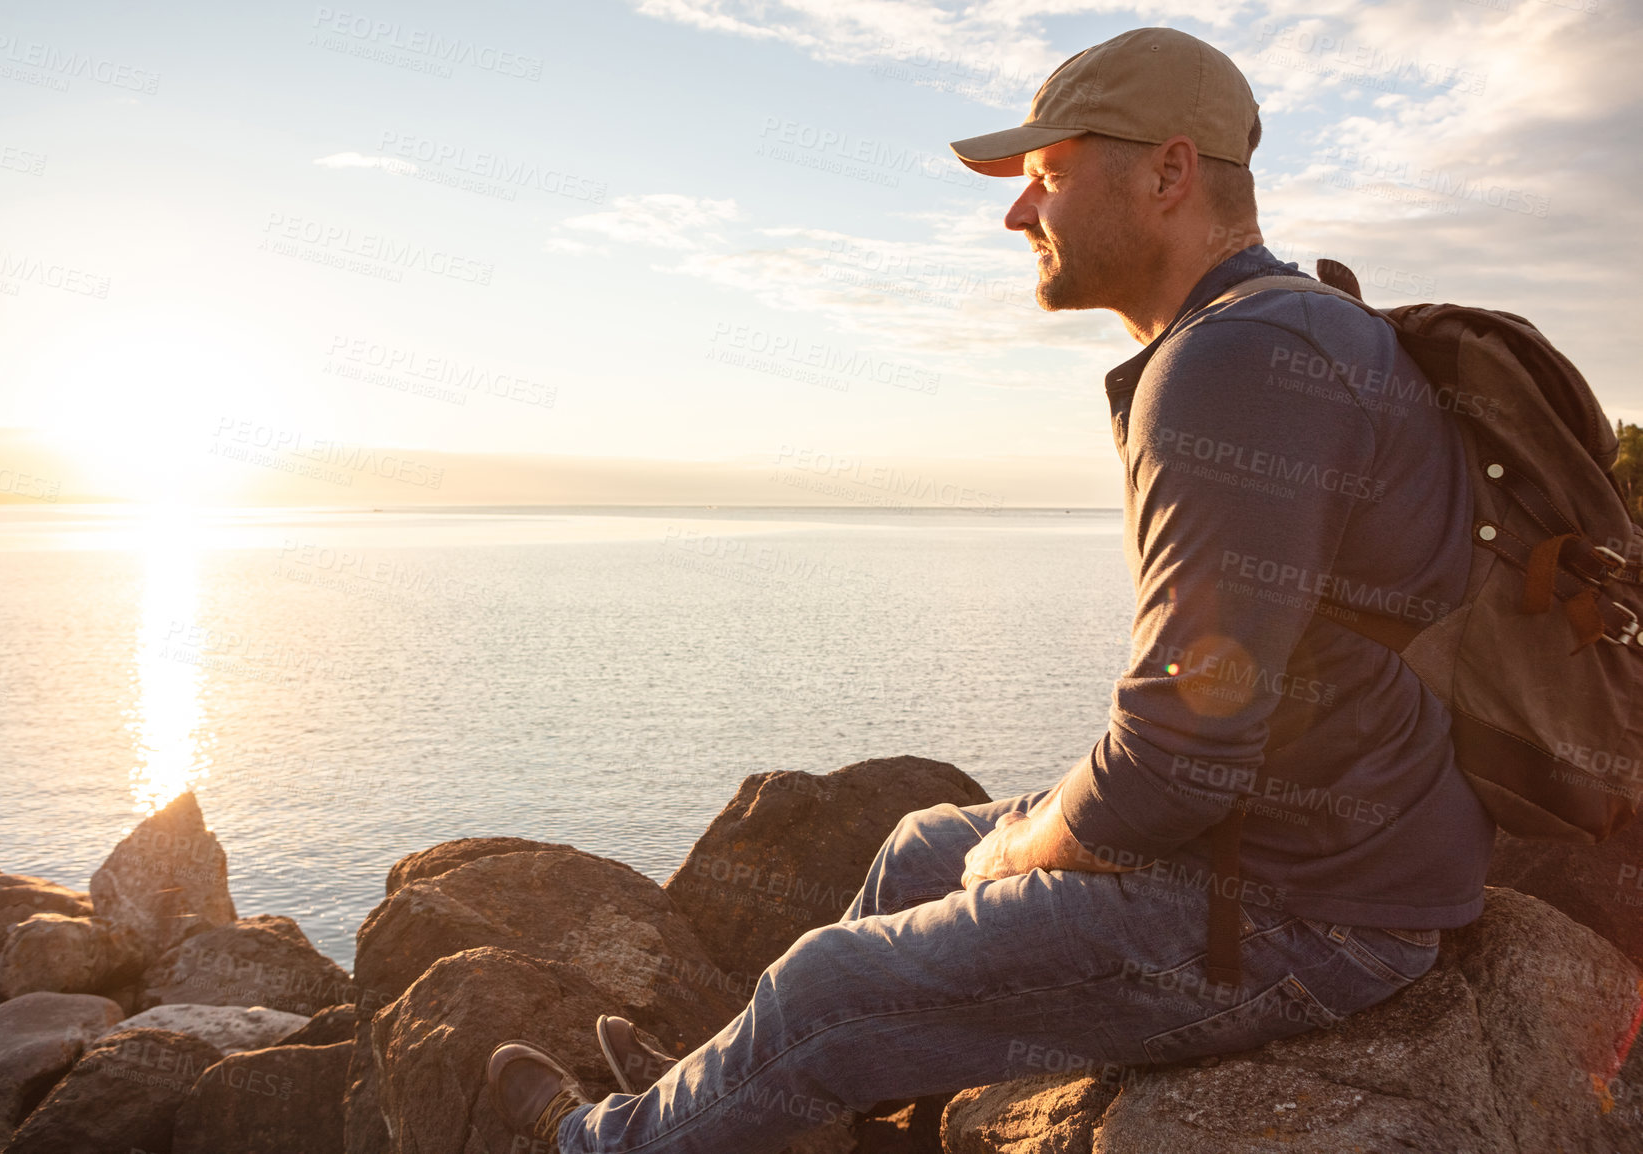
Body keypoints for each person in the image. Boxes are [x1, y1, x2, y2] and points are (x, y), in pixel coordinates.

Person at [486, 26, 1494, 1153]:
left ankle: (597, 1143)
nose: (1019, 215)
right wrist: (998, 844)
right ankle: (740, 1103)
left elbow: (1177, 764)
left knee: (834, 981)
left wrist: (1013, 852)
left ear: (1168, 172)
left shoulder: (1230, 363)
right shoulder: (1294, 325)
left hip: (1310, 912)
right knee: (921, 841)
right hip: (1300, 844)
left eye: (1047, 178)